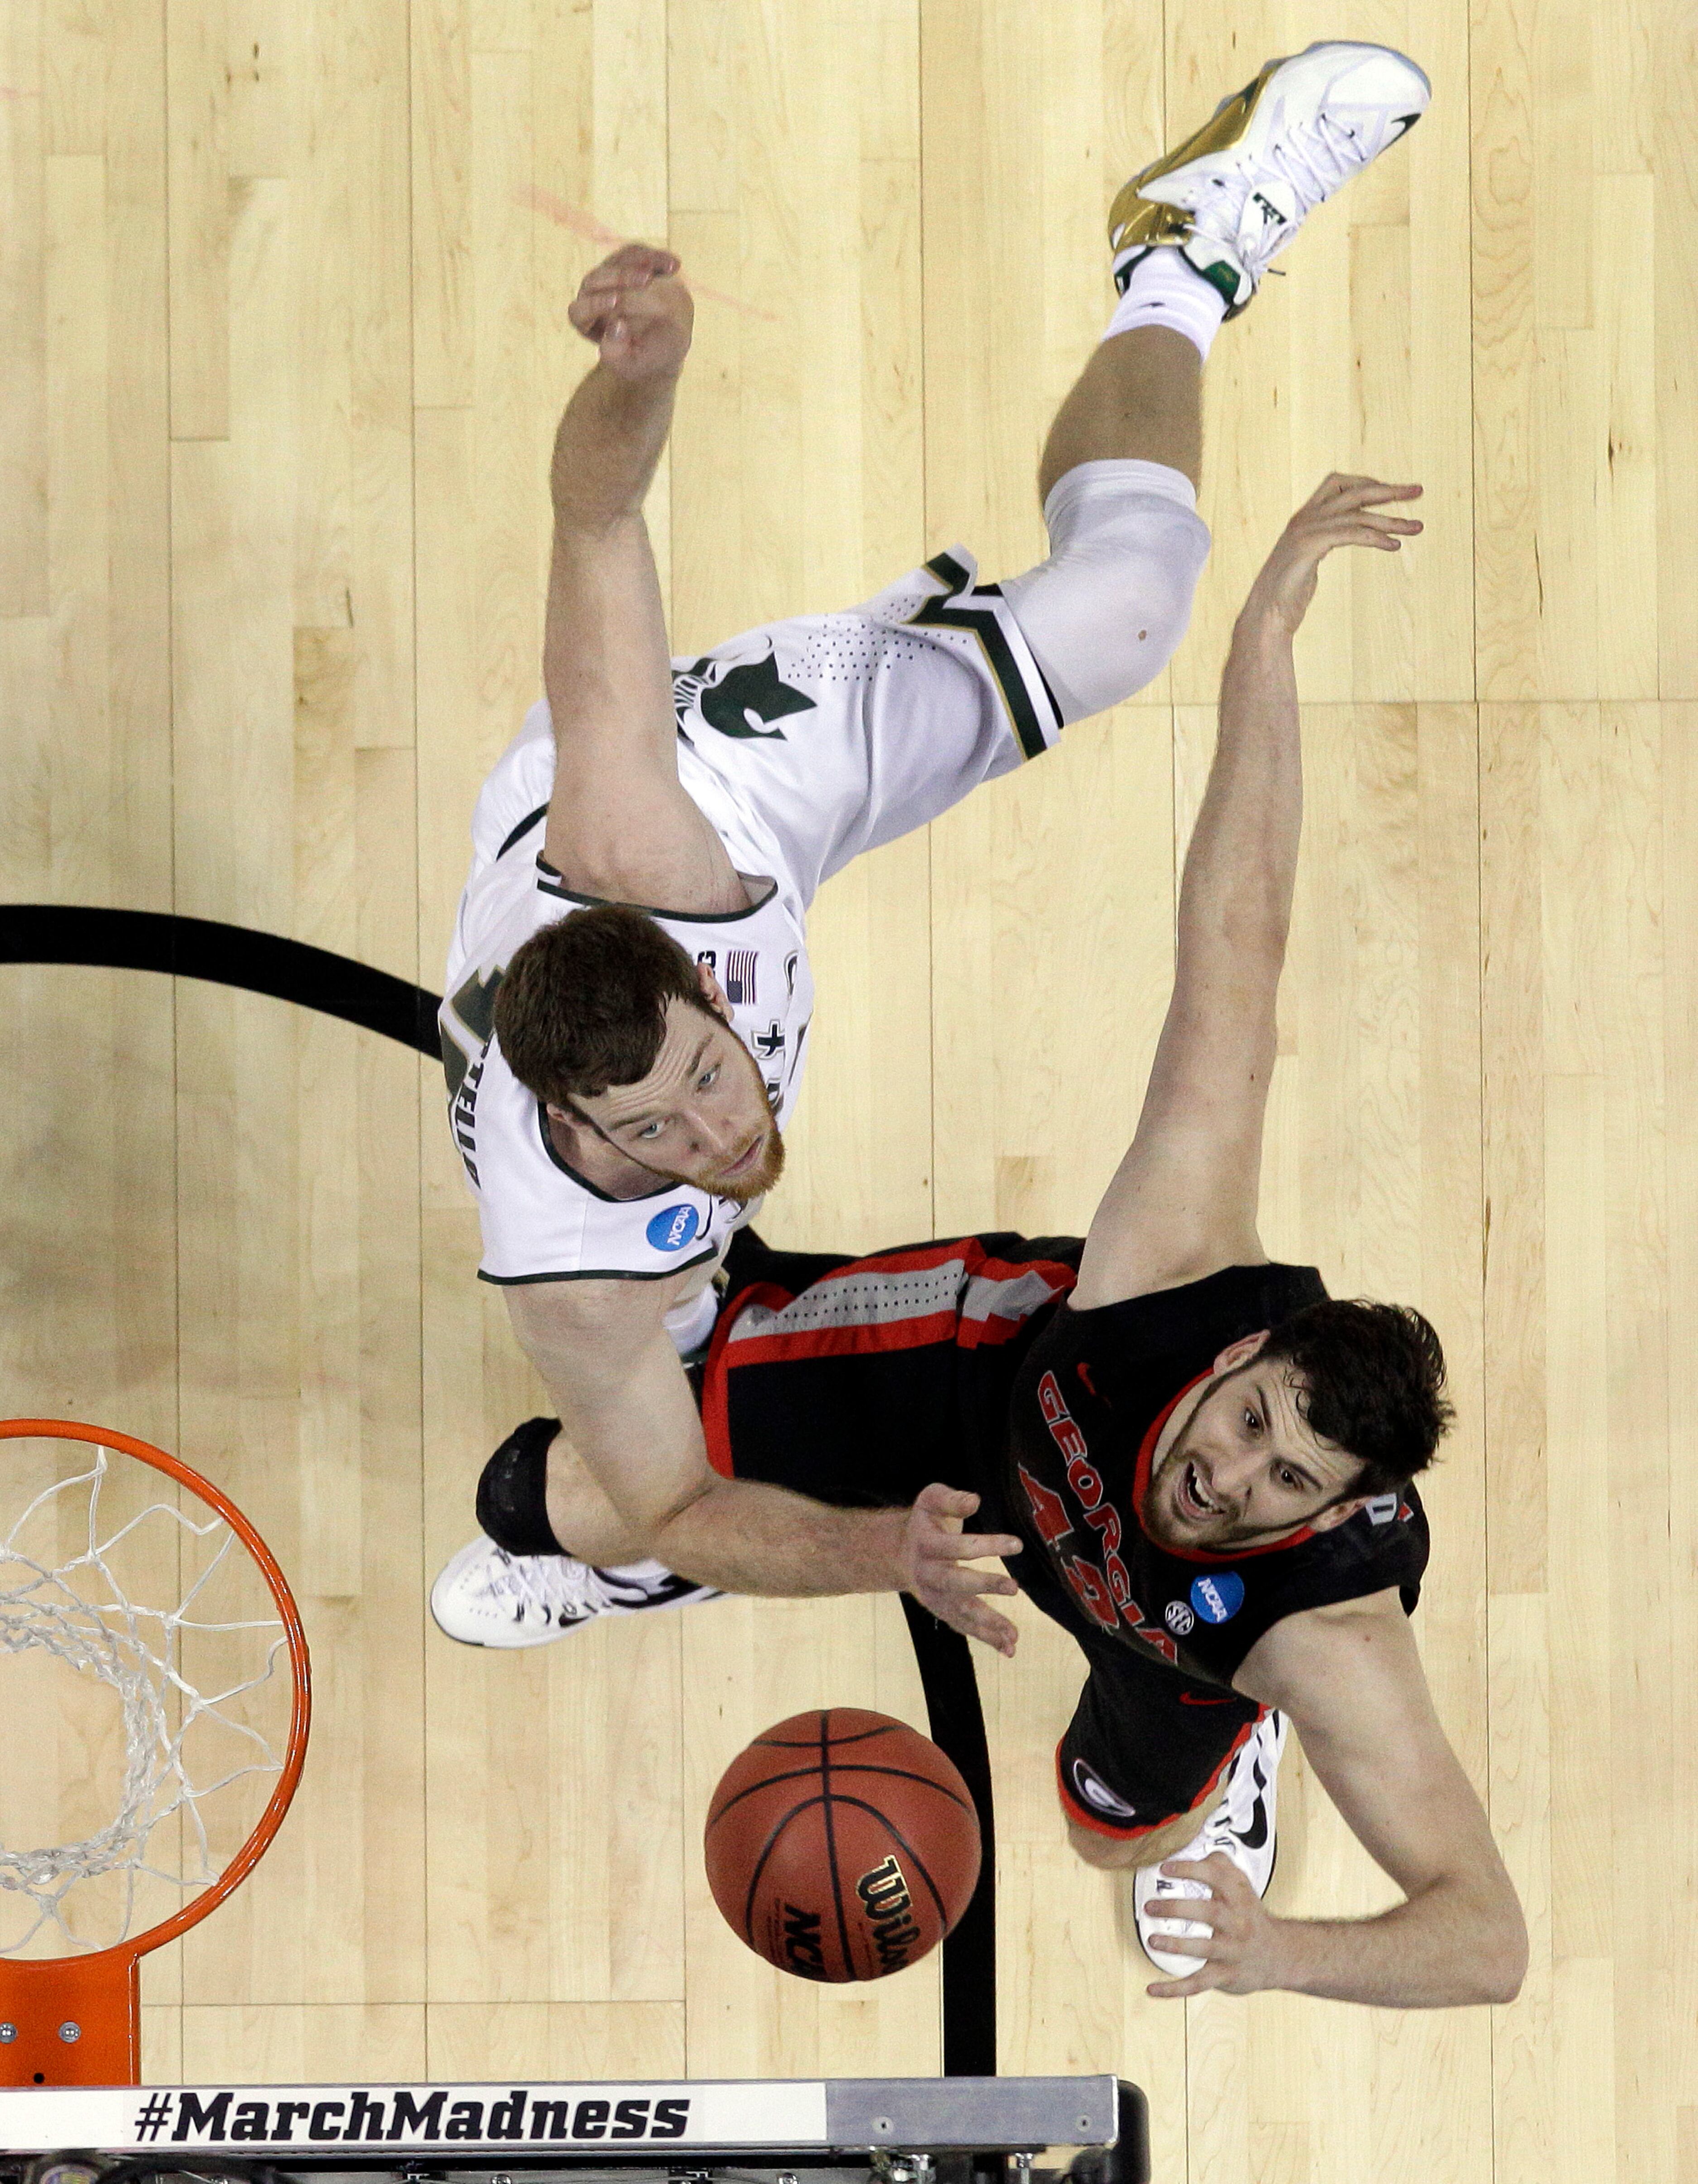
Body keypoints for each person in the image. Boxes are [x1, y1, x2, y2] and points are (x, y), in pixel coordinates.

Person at [447, 472, 1529, 2010]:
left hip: (1163, 1646)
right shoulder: (1177, 1270)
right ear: (1237, 1353)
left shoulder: (1321, 1635)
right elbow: (1239, 941)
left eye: (1291, 1481)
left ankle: (1229, 1760)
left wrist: (1283, 1952)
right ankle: (671, 1562)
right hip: (967, 1390)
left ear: (1345, 1506)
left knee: (1109, 1836)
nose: (1229, 1473)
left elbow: (1488, 1944)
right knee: (545, 1491)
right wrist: (1263, 646)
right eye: (1247, 1422)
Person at [431, 43, 1433, 1648]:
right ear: (579, 1124)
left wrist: (644, 377)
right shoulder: (575, 1270)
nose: (723, 1119)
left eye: (711, 1066)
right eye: (669, 1124)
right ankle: (595, 1572)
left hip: (744, 784)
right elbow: (686, 1498)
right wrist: (872, 1553)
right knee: (623, 1472)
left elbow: (597, 522)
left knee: (1124, 610)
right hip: (630, 1266)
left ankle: (1182, 255)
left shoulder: (650, 849)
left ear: (699, 981)